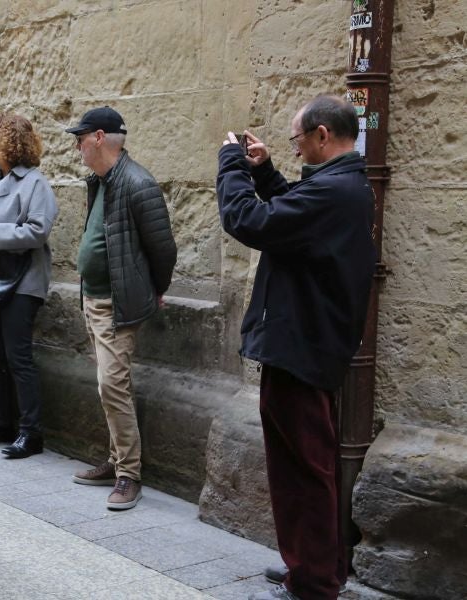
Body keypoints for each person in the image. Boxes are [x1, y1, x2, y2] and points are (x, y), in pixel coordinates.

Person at [215, 94, 375, 600]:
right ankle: (308, 565)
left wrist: (231, 166)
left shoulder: (335, 191)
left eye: (297, 139)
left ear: (323, 136)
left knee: (304, 471)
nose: (296, 147)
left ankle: (314, 582)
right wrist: (265, 173)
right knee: (299, 467)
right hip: (301, 344)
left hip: (302, 348)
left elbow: (252, 223)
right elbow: (291, 218)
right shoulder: (340, 185)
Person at [64, 106, 177, 511]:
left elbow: (163, 248)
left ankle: (129, 473)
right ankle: (115, 462)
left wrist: (156, 288)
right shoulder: (101, 181)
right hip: (93, 299)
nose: (77, 147)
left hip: (118, 304)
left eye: (80, 139)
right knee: (107, 386)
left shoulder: (137, 183)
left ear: (98, 137)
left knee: (112, 385)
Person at [0, 113, 58, 459]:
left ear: (9, 142)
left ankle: (31, 431)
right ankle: (0, 422)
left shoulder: (35, 183)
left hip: (22, 283)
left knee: (18, 358)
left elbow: (38, 231)